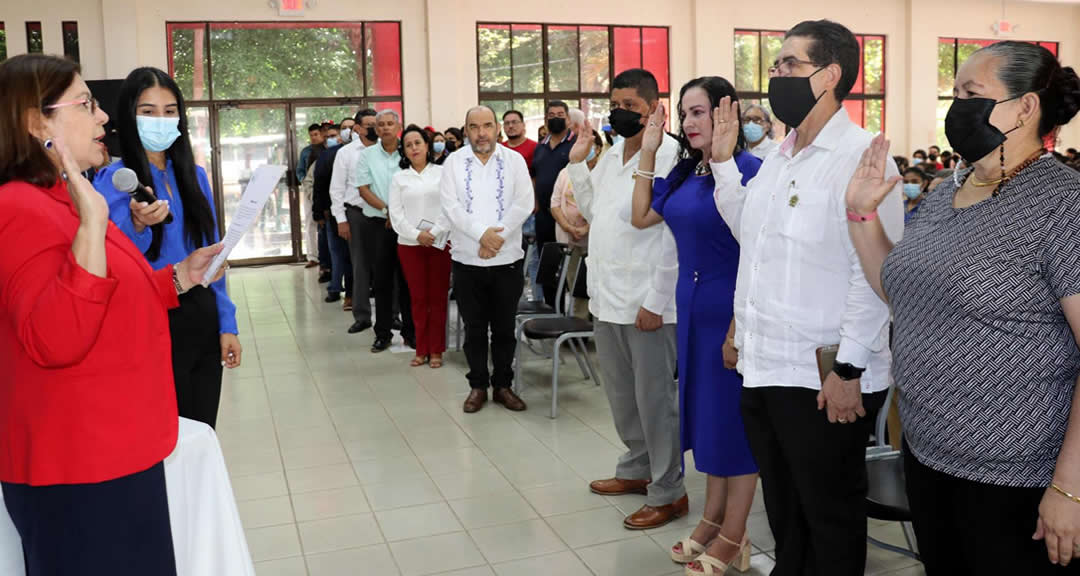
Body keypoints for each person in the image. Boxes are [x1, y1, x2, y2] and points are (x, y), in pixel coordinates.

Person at [847, 40, 1080, 574]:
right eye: (954, 94)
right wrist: (860, 217)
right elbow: (899, 289)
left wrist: (1070, 489)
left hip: (1018, 478)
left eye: (972, 93)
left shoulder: (1065, 204)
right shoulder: (945, 189)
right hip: (928, 455)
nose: (958, 107)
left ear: (1025, 107)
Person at [0, 53, 224, 575]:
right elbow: (56, 337)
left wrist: (178, 277)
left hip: (116, 451)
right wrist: (92, 224)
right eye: (86, 104)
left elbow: (115, 291)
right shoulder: (18, 208)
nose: (103, 118)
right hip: (78, 467)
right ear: (37, 124)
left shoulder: (61, 197)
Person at [710, 20, 905, 575]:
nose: (776, 75)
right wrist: (724, 164)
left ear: (830, 75)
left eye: (790, 64)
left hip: (823, 378)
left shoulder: (864, 156)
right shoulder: (781, 151)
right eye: (776, 65)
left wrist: (848, 368)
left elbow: (872, 279)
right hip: (766, 364)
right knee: (786, 512)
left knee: (830, 517)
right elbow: (755, 238)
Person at [629, 77, 762, 574]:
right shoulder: (687, 172)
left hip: (729, 309)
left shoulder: (750, 172)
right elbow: (641, 215)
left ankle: (736, 534)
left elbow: (757, 254)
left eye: (700, 112)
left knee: (732, 425)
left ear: (727, 114)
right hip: (692, 308)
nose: (689, 123)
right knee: (706, 420)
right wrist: (649, 148)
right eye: (684, 114)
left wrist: (736, 328)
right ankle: (711, 520)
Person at [564, 68, 685, 530]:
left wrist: (657, 299)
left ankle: (668, 490)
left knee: (656, 399)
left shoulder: (670, 155)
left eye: (630, 105)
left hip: (647, 302)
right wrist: (579, 162)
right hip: (607, 297)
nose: (620, 112)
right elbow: (597, 213)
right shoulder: (614, 152)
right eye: (615, 104)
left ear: (654, 107)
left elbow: (673, 234)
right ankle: (636, 469)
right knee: (621, 395)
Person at [95, 66, 241, 430]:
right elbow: (111, 260)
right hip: (153, 316)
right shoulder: (113, 181)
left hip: (201, 313)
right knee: (166, 434)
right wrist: (140, 224)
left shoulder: (194, 176)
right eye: (147, 111)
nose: (160, 119)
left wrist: (227, 323)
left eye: (169, 110)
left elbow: (212, 255)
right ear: (128, 117)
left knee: (203, 429)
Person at [441, 105, 532, 413]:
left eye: (487, 126)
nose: (481, 132)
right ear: (466, 130)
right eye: (474, 126)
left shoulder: (514, 160)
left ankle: (503, 385)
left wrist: (495, 240)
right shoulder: (453, 163)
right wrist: (482, 236)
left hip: (506, 259)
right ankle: (478, 385)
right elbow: (451, 208)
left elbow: (524, 204)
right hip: (468, 260)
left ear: (497, 128)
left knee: (505, 329)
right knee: (475, 329)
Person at [390, 125, 451, 368]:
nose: (414, 148)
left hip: (439, 243)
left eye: (418, 142)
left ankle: (436, 349)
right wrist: (417, 235)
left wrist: (434, 233)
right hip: (409, 245)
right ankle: (421, 348)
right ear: (404, 151)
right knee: (417, 298)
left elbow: (450, 207)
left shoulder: (443, 173)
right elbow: (396, 214)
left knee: (437, 298)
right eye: (408, 145)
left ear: (427, 145)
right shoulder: (399, 178)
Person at [355, 109, 415, 352]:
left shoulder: (410, 150)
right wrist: (388, 211)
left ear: (398, 126)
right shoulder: (367, 155)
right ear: (376, 129)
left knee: (407, 280)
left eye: (390, 123)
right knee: (381, 282)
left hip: (407, 225)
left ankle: (411, 333)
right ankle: (382, 333)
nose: (386, 128)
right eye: (381, 125)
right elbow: (364, 189)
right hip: (378, 225)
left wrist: (398, 214)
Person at [331, 108, 375, 333]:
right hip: (356, 213)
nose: (373, 128)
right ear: (357, 128)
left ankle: (392, 313)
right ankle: (362, 315)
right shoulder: (347, 153)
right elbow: (336, 189)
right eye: (368, 124)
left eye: (375, 124)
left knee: (389, 267)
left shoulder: (386, 150)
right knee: (360, 266)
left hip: (384, 214)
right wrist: (341, 219)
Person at [552, 129, 602, 319]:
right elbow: (554, 204)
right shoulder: (566, 172)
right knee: (574, 282)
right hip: (569, 238)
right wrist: (569, 228)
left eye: (592, 145)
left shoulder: (603, 171)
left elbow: (603, 206)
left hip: (595, 239)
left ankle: (593, 326)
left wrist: (586, 228)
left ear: (597, 149)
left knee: (594, 284)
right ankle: (578, 323)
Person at [532, 101, 577, 305]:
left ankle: (574, 315)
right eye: (551, 115)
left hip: (569, 218)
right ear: (545, 119)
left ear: (568, 118)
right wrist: (535, 202)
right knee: (547, 265)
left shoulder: (576, 144)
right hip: (543, 216)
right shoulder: (540, 147)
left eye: (560, 114)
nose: (556, 118)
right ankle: (552, 308)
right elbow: (534, 176)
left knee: (571, 268)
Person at [312, 123, 353, 307]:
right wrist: (319, 212)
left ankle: (339, 290)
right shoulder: (328, 155)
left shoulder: (361, 153)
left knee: (341, 254)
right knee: (338, 253)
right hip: (334, 212)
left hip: (348, 211)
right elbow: (319, 187)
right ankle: (339, 288)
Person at [298, 123, 325, 268]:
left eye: (316, 134)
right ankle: (312, 256)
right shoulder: (306, 152)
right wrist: (305, 183)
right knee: (310, 223)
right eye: (311, 135)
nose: (314, 138)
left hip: (325, 191)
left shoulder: (328, 149)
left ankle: (325, 257)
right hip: (310, 191)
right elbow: (300, 170)